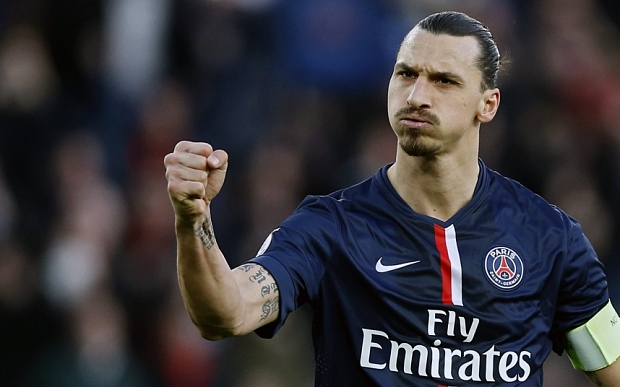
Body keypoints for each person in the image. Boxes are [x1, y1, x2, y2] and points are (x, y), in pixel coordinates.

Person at [164, 11, 620, 386]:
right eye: (406, 74)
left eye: (444, 81)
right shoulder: (329, 227)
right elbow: (222, 314)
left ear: (489, 104)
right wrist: (193, 219)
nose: (417, 95)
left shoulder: (549, 238)